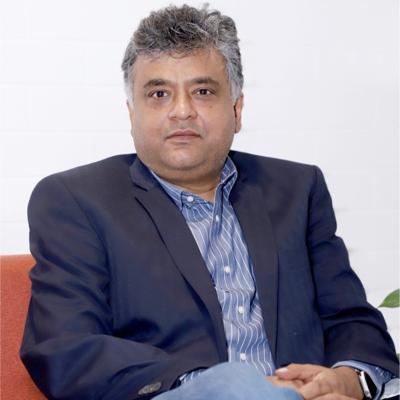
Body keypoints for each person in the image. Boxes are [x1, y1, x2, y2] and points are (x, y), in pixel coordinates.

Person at [21, 4, 399, 400]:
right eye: (159, 94)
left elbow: (352, 320)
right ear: (132, 113)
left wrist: (350, 380)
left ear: (237, 110)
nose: (182, 111)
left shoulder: (298, 190)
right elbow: (66, 348)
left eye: (203, 92)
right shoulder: (76, 202)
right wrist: (212, 386)